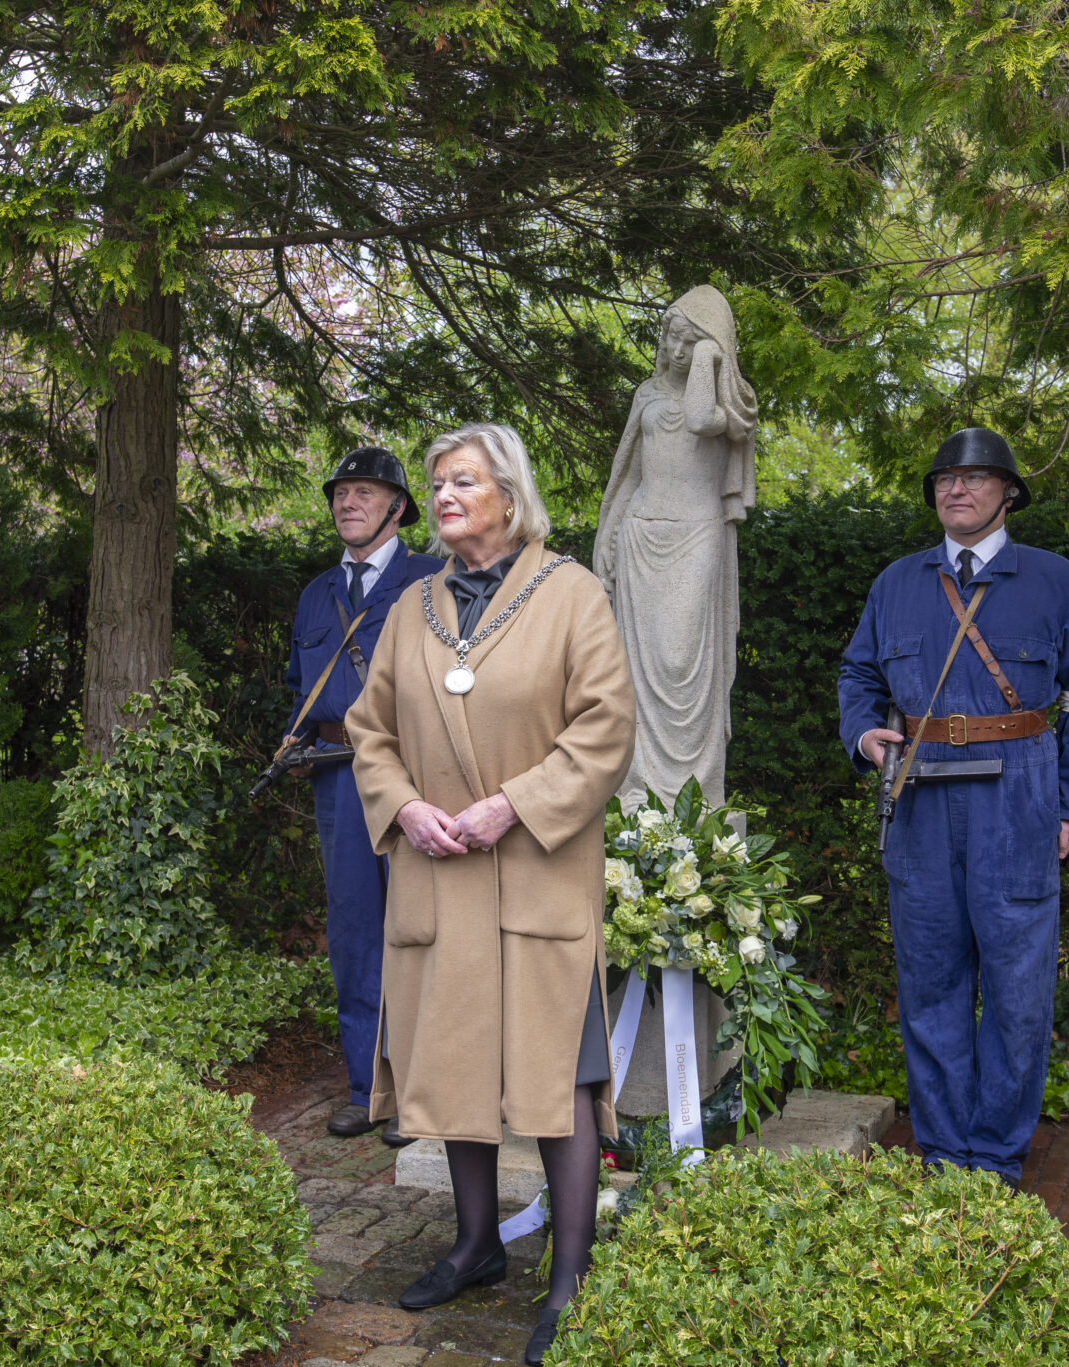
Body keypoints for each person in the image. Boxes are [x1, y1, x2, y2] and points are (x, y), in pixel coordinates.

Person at [345, 422, 635, 1366]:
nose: (442, 495)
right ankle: (475, 1248)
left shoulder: (573, 594)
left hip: (538, 874)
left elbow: (605, 727)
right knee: (457, 1067)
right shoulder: (413, 606)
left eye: (462, 479)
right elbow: (369, 729)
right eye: (436, 483)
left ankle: (571, 1274)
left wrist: (515, 804)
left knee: (562, 1078)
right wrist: (404, 807)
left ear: (510, 493)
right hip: (441, 874)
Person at [837, 427, 1069, 1186]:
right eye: (944, 479)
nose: (957, 488)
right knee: (930, 985)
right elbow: (857, 675)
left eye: (976, 477)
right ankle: (945, 1152)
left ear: (1007, 492)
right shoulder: (896, 583)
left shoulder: (1057, 582)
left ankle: (994, 1156)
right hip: (920, 793)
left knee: (1020, 992)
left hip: (1018, 794)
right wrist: (864, 735)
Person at [283, 445, 443, 1146]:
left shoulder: (433, 579)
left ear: (398, 507)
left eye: (365, 492)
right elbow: (301, 684)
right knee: (353, 933)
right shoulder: (316, 594)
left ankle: (423, 1090)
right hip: (336, 775)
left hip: (413, 775)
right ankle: (365, 1087)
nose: (348, 502)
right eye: (341, 492)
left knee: (419, 927)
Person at [593, 284, 757, 807]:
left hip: (698, 534)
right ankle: (636, 792)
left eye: (691, 341)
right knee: (634, 671)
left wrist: (711, 361)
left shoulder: (733, 404)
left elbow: (700, 419)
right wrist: (608, 537)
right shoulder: (646, 394)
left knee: (685, 662)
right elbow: (629, 473)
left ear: (714, 344)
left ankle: (697, 796)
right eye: (672, 339)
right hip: (642, 534)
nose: (677, 351)